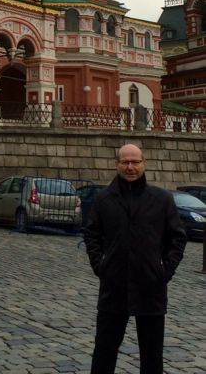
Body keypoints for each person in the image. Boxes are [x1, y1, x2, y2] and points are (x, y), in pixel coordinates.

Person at [84, 143, 187, 374]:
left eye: (135, 162)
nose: (130, 167)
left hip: (150, 287)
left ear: (144, 164)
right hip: (114, 286)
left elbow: (178, 238)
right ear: (117, 165)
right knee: (104, 352)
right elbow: (92, 234)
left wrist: (164, 271)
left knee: (152, 356)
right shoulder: (104, 199)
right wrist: (101, 265)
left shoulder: (161, 199)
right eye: (125, 162)